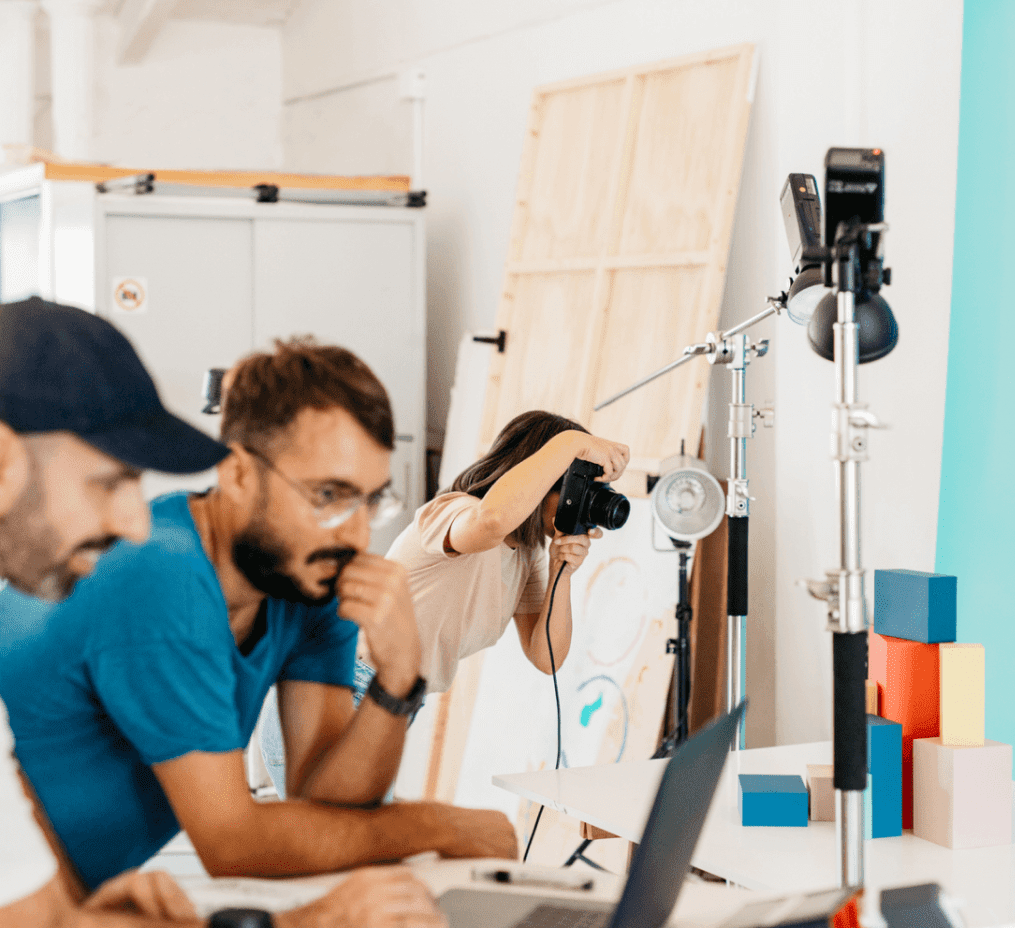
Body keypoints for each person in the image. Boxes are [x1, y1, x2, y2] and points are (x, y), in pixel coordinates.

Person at [0, 335, 516, 895]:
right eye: (328, 495)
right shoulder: (161, 573)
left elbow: (324, 802)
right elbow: (232, 843)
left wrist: (400, 678)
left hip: (58, 895)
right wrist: (435, 824)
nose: (357, 532)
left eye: (370, 500)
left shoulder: (304, 576)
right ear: (239, 474)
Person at [387, 410, 629, 694]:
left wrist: (561, 572)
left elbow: (547, 658)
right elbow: (492, 521)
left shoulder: (526, 556)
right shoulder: (453, 512)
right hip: (354, 674)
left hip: (402, 697)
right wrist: (573, 444)